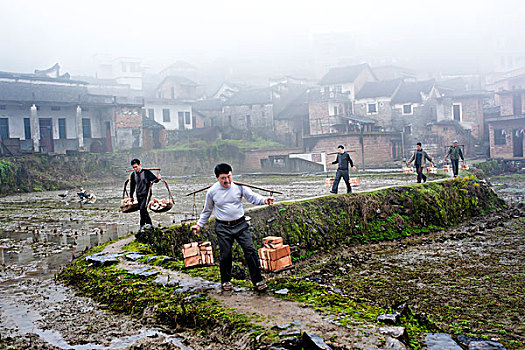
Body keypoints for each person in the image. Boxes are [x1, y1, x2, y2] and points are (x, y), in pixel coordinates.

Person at [191, 163, 274, 292]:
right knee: (226, 255)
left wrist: (264, 200)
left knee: (250, 251)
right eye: (223, 178)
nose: (227, 181)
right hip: (223, 227)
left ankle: (258, 280)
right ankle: (226, 281)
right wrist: (199, 225)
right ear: (217, 178)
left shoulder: (239, 187)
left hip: (241, 225)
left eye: (229, 177)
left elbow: (253, 197)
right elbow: (207, 210)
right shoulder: (212, 191)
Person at [129, 159, 161, 232]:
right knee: (144, 210)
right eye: (133, 167)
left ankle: (142, 226)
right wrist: (131, 196)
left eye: (136, 167)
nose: (135, 169)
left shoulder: (146, 172)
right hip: (139, 194)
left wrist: (158, 179)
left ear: (140, 165)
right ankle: (150, 225)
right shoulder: (133, 175)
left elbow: (154, 180)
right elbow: (132, 186)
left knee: (142, 209)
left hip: (146, 193)